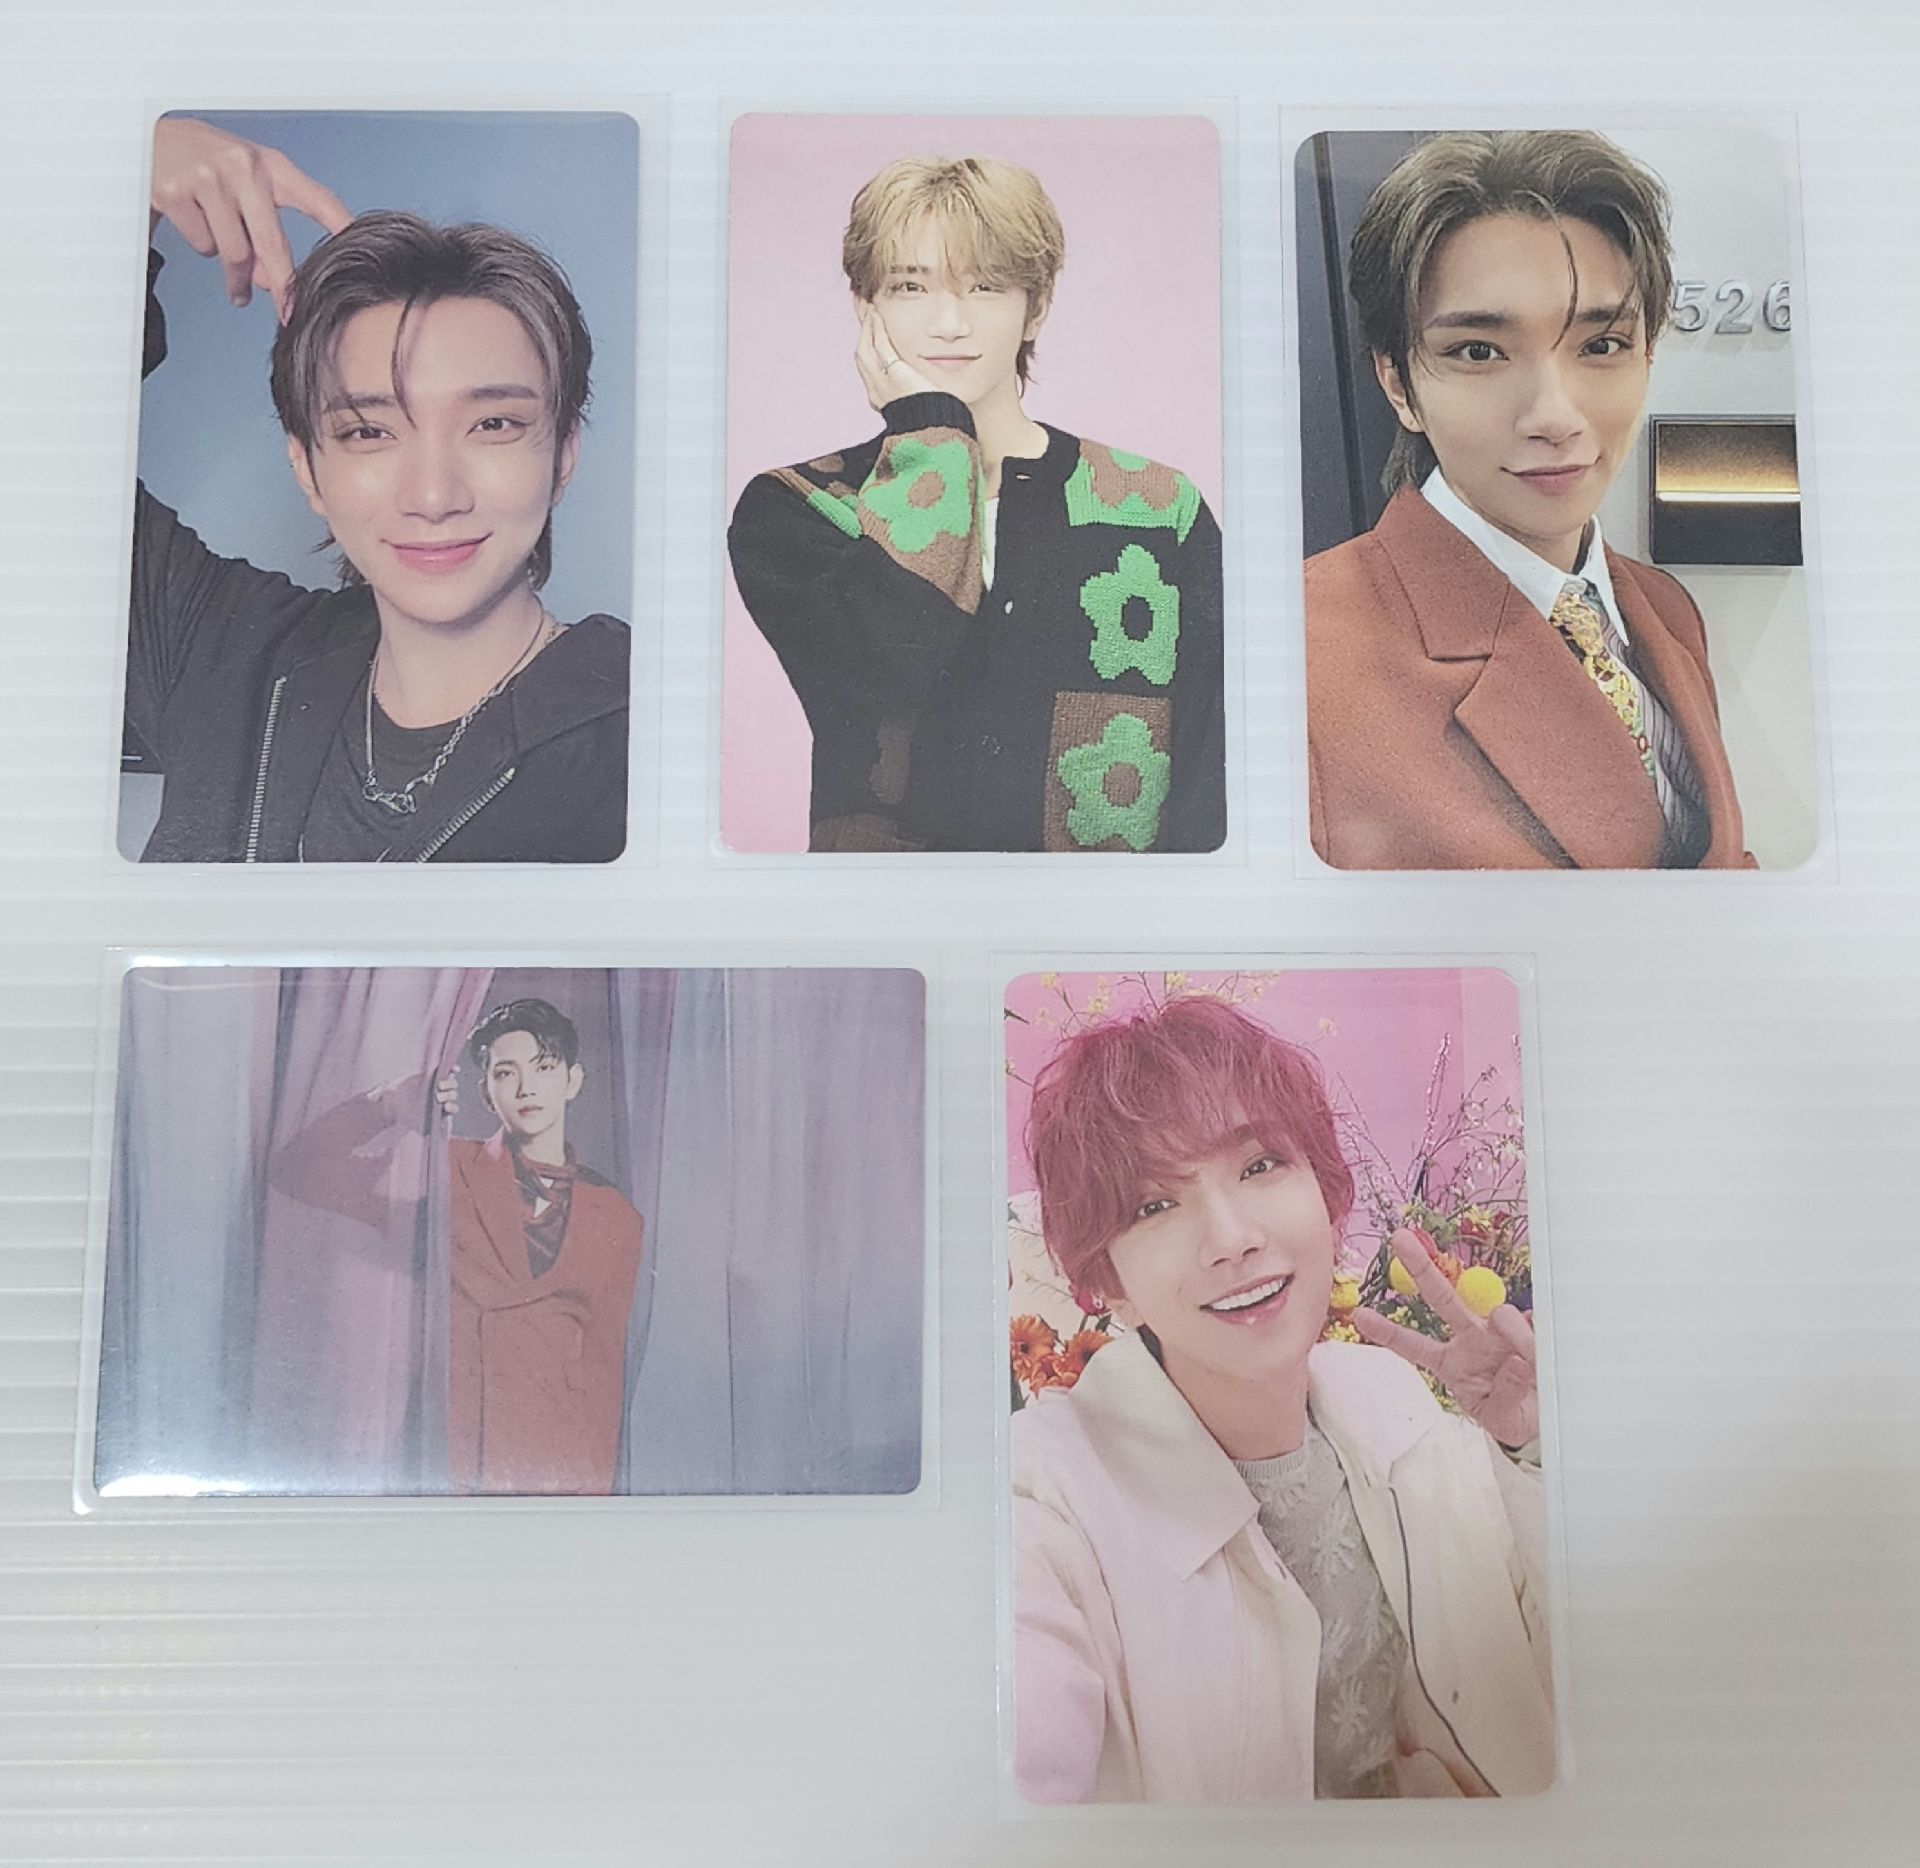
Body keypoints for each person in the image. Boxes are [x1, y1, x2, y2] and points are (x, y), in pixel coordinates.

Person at [1011, 996, 1554, 1803]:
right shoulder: (1045, 1491)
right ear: (1108, 1283)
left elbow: (1571, 1655)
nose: (1231, 1238)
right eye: (1153, 1206)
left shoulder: (1391, 1398)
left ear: (1327, 1194)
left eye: (1260, 1166)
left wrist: (1533, 1450)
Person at [129, 116, 629, 862]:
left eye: (492, 424)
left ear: (563, 455)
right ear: (307, 467)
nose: (433, 495)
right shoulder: (226, 653)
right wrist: (126, 165)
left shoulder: (649, 735)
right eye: (369, 431)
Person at [728, 154, 1224, 854]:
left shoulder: (1158, 508)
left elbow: (1210, 770)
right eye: (910, 286)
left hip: (1107, 920)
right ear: (866, 306)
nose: (949, 323)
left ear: (1035, 309)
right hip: (880, 914)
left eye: (986, 287)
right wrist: (929, 430)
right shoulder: (801, 507)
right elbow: (892, 670)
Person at [1304, 130, 1750, 870]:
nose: (1556, 416)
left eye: (1601, 345)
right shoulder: (1306, 658)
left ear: (1647, 352)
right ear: (1398, 384)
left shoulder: (1663, 609)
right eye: (1479, 352)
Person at [270, 998, 645, 1494]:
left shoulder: (614, 1214)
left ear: (572, 1080)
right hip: (460, 1458)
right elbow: (297, 1170)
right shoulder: (443, 1172)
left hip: (556, 1468)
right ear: (486, 1094)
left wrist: (593, 1500)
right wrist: (392, 1104)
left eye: (544, 1067)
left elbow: (602, 1367)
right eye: (505, 1073)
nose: (526, 1087)